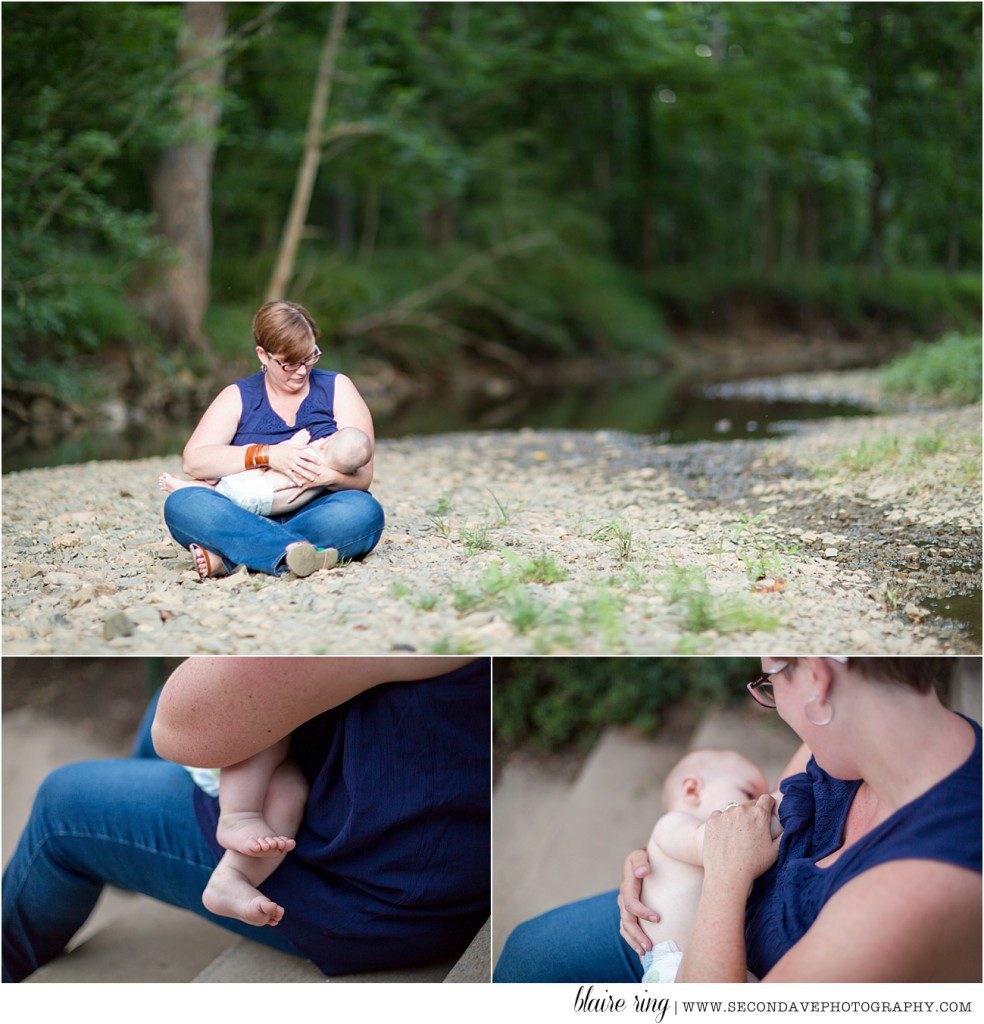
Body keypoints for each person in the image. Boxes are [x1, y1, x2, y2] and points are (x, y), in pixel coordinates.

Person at [3, 656, 491, 982]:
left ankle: (225, 863)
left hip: (386, 895)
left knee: (61, 807)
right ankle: (137, 860)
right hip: (429, 839)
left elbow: (185, 722)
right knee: (186, 714)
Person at [494, 657, 982, 983]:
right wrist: (670, 852)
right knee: (528, 952)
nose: (772, 702)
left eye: (770, 683)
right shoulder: (864, 735)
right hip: (691, 917)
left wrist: (725, 876)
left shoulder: (921, 890)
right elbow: (761, 813)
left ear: (817, 677)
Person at [162, 300, 384, 579]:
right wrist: (268, 455)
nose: (302, 371)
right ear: (263, 355)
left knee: (364, 511)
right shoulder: (238, 396)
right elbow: (194, 461)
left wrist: (324, 476)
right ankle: (295, 552)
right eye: (289, 363)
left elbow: (363, 477)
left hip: (317, 512)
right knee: (182, 504)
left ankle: (234, 559)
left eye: (309, 357)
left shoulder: (337, 387)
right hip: (241, 512)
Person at [637, 748, 774, 983]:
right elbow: (715, 842)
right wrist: (787, 804)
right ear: (692, 790)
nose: (759, 805)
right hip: (676, 969)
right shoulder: (669, 826)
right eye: (749, 792)